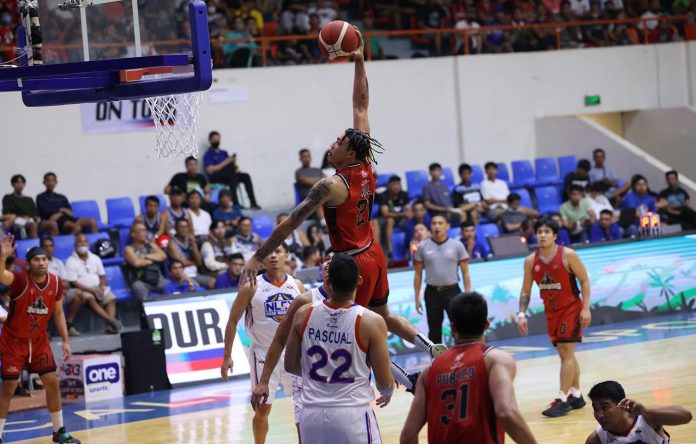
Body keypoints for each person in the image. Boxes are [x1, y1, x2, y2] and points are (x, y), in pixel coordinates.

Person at [240, 39, 444, 359]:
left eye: (339, 141)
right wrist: (359, 60)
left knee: (349, 326)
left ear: (349, 151)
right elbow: (361, 105)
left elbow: (290, 223)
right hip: (374, 251)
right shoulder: (365, 163)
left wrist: (257, 256)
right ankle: (428, 344)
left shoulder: (330, 185)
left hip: (352, 261)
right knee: (384, 316)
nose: (333, 142)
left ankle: (383, 376)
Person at [400, 292, 537, 444]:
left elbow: (408, 435)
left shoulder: (429, 372)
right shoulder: (495, 360)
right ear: (486, 324)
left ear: (453, 328)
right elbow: (506, 412)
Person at [285, 253, 395, 442]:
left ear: (329, 280)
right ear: (359, 281)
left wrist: (323, 377)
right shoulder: (371, 321)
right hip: (352, 414)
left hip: (311, 415)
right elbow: (384, 382)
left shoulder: (304, 313)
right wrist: (387, 391)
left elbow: (289, 365)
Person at [220, 244, 305, 444]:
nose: (273, 256)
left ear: (287, 256)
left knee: (303, 409)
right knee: (262, 409)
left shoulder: (297, 285)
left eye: (278, 252)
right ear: (262, 259)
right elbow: (232, 321)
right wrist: (227, 356)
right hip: (263, 355)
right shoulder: (251, 286)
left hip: (292, 354)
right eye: (269, 253)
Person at [0, 236, 81, 443]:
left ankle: (59, 431)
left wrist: (65, 340)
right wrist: (2, 256)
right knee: (9, 387)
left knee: (52, 381)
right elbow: (1, 275)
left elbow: (59, 312)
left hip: (38, 341)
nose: (42, 262)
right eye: (37, 259)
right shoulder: (19, 280)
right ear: (29, 264)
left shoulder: (55, 282)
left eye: (44, 259)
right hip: (14, 340)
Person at [517, 217, 592, 417]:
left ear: (555, 235)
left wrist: (586, 308)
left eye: (547, 232)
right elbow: (525, 291)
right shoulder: (531, 261)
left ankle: (562, 399)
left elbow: (584, 281)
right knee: (565, 353)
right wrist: (522, 313)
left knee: (566, 352)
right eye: (539, 232)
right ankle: (576, 394)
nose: (542, 235)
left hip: (571, 309)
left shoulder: (568, 255)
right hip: (551, 312)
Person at [414, 215, 472, 344]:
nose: (437, 226)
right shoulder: (422, 247)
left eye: (440, 223)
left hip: (453, 292)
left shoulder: (457, 245)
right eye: (434, 223)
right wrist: (417, 297)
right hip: (432, 293)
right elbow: (417, 274)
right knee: (434, 331)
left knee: (459, 328)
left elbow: (465, 271)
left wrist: (468, 293)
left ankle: (462, 359)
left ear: (447, 226)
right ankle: (437, 362)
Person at [586, 380, 693, 444]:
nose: (599, 415)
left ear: (621, 405)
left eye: (605, 408)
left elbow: (686, 416)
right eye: (595, 408)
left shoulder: (647, 418)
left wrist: (645, 411)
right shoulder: (596, 439)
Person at [64, 234, 121, 335]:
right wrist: (92, 290)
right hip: (83, 290)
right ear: (75, 244)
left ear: (88, 244)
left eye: (85, 242)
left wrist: (102, 287)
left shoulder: (95, 258)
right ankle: (112, 320)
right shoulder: (70, 261)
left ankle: (109, 326)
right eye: (80, 242)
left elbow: (102, 276)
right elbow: (73, 282)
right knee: (89, 299)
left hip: (98, 288)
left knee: (111, 298)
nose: (83, 244)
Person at [203, 131, 260, 209]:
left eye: (218, 139)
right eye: (214, 140)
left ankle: (253, 203)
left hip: (228, 174)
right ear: (210, 140)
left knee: (245, 176)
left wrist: (232, 161)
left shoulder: (224, 152)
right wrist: (226, 162)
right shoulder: (208, 154)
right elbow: (210, 170)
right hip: (216, 177)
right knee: (231, 176)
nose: (217, 141)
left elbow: (228, 165)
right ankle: (236, 203)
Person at [124, 222, 169, 302]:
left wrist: (146, 256)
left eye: (145, 230)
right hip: (141, 280)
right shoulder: (129, 249)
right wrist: (154, 258)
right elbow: (136, 263)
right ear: (133, 234)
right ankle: (146, 312)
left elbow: (163, 256)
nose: (145, 233)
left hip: (157, 278)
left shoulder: (151, 245)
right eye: (141, 231)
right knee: (138, 287)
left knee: (169, 286)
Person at [167, 218, 213, 289]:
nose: (183, 229)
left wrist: (193, 244)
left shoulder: (190, 240)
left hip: (194, 273)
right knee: (194, 286)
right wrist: (194, 262)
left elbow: (199, 262)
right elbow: (181, 263)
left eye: (185, 227)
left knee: (213, 282)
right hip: (181, 274)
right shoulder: (171, 243)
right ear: (176, 229)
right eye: (181, 227)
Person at [1, 174, 47, 238]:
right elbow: (7, 213)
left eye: (22, 182)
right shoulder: (8, 198)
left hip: (29, 220)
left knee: (34, 224)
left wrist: (30, 218)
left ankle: (35, 245)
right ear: (12, 184)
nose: (20, 185)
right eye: (17, 182)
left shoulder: (29, 199)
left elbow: (35, 214)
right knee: (7, 223)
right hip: (15, 220)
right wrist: (20, 216)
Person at [377, 175, 411, 258]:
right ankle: (390, 251)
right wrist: (402, 214)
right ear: (389, 186)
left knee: (412, 218)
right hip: (385, 220)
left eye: (398, 184)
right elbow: (385, 213)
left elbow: (409, 209)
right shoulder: (383, 196)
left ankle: (409, 249)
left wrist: (409, 214)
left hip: (400, 220)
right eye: (394, 184)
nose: (396, 187)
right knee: (390, 220)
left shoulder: (403, 194)